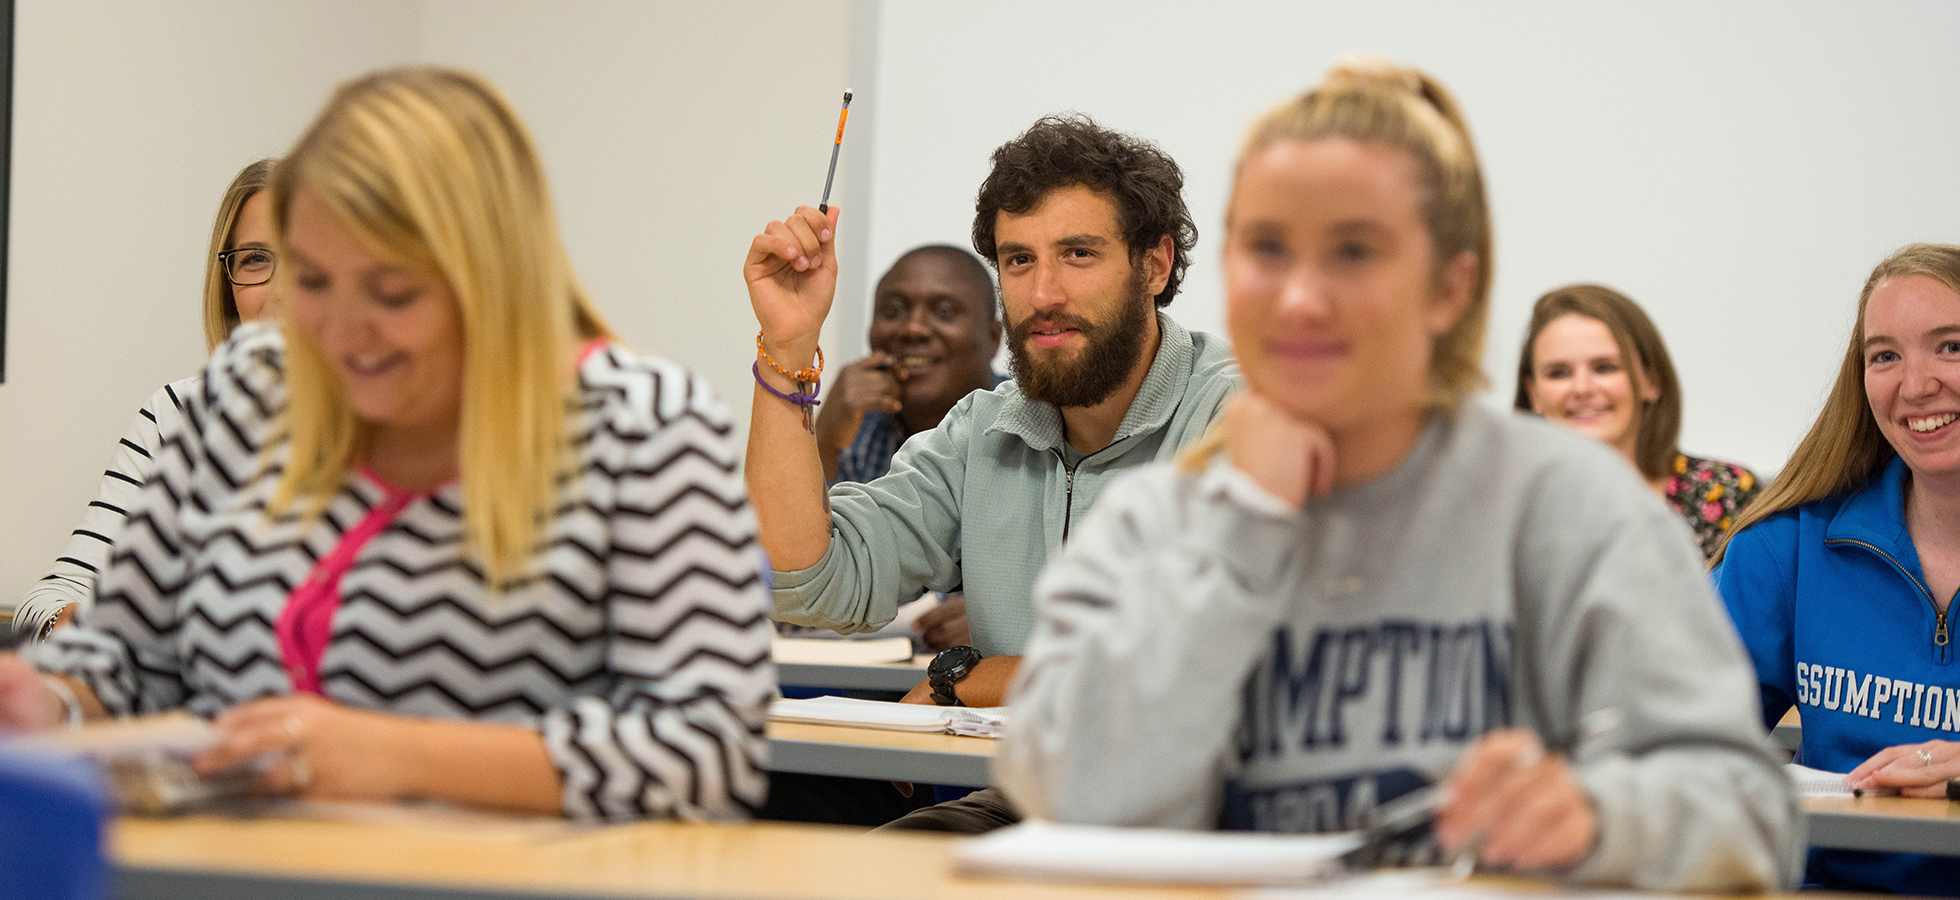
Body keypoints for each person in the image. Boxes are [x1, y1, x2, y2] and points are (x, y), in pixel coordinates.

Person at [995, 59, 1796, 891]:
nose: (1302, 298)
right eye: (1267, 248)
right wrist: (1245, 525)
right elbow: (1062, 790)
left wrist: (1601, 818)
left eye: (1354, 251)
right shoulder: (1158, 520)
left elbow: (1752, 814)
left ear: (1450, 287)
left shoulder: (1570, 506)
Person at [3, 67, 771, 821]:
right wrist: (49, 699)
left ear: (494, 278)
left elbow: (709, 749)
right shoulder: (241, 392)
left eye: (391, 292)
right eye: (311, 280)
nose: (339, 332)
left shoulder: (646, 426)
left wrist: (387, 755)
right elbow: (120, 658)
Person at [744, 114, 1239, 830]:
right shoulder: (986, 429)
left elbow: (1203, 669)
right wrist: (786, 347)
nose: (1043, 295)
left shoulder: (1235, 414)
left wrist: (975, 675)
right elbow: (805, 579)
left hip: (1206, 814)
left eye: (1078, 254)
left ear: (1155, 265)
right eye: (1018, 260)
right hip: (1035, 799)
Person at [1713, 244, 1960, 896]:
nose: (1916, 385)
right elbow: (1674, 731)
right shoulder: (1786, 545)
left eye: (1951, 346)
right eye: (1884, 356)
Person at [12, 158, 280, 641]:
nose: (282, 290)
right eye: (256, 260)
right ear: (229, 291)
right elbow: (45, 602)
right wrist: (100, 631)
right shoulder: (181, 416)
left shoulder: (398, 427)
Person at [812, 244, 1003, 650]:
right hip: (859, 685)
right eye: (894, 310)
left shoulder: (1032, 424)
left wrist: (1004, 619)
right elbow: (790, 576)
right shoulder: (855, 422)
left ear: (992, 339)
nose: (913, 329)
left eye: (945, 312)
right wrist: (821, 439)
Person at [1515, 284, 1759, 558]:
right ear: (1533, 393)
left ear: (1651, 381)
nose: (1582, 388)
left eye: (1604, 368)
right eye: (1559, 373)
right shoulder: (1504, 511)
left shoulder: (1725, 493)